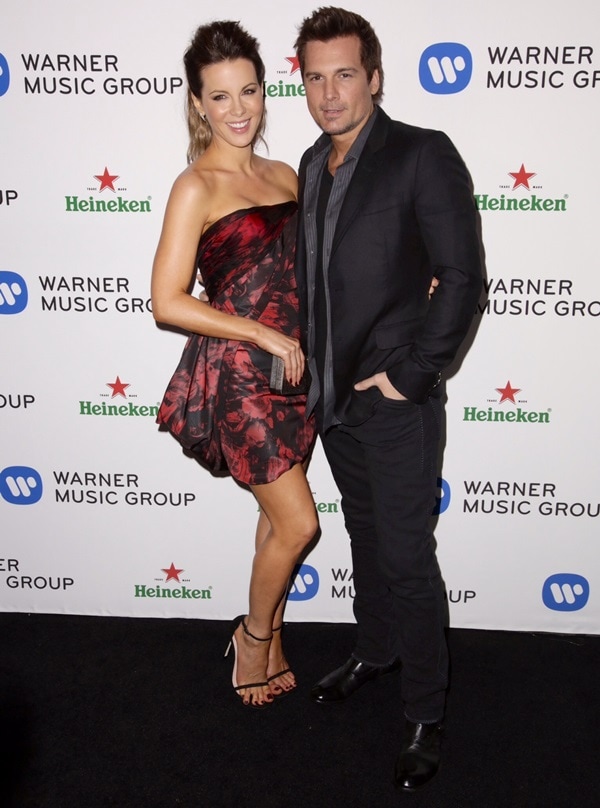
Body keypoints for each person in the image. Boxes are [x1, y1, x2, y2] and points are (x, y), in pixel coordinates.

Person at [293, 7, 483, 790]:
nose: (329, 93)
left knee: (406, 557)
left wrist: (415, 374)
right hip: (334, 402)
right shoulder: (312, 163)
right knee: (365, 539)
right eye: (315, 78)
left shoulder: (421, 153)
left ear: (374, 77)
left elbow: (463, 276)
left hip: (395, 402)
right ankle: (375, 651)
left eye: (345, 74)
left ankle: (426, 711)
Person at [151, 20, 318, 709]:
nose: (238, 109)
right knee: (302, 524)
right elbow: (166, 301)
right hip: (241, 375)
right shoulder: (195, 186)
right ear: (198, 103)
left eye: (248, 90)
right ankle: (252, 638)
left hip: (296, 372)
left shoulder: (286, 175)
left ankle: (271, 635)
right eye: (220, 96)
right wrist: (260, 333)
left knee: (278, 523)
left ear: (263, 90)